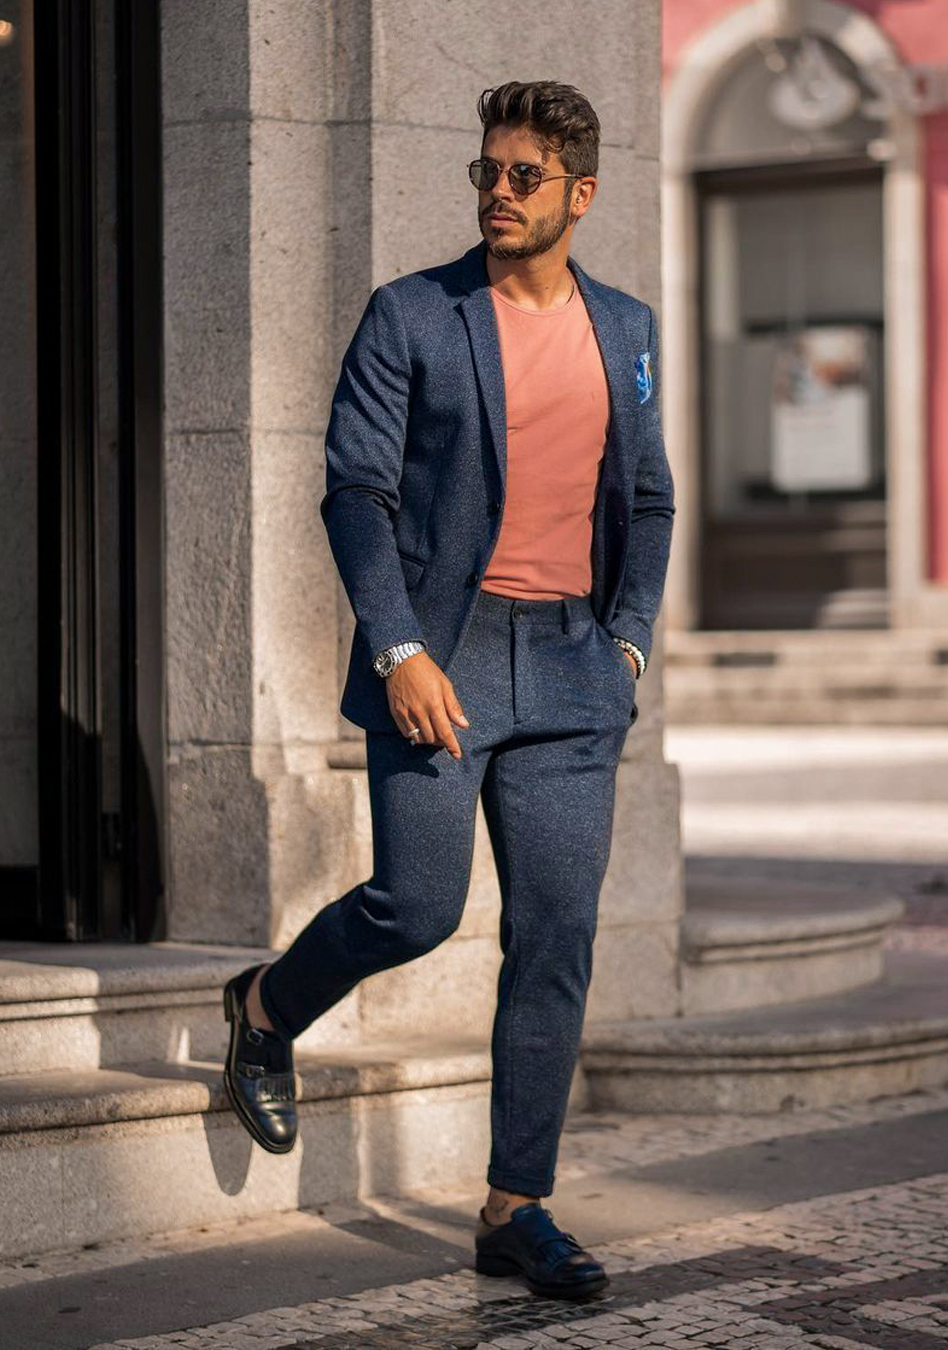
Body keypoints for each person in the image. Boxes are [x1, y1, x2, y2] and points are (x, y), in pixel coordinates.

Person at [223, 78, 674, 1301]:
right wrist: (397, 649)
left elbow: (645, 499)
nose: (496, 193)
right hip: (444, 656)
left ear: (578, 193)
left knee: (555, 938)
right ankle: (266, 1006)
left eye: (522, 177)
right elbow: (352, 492)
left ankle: (513, 1206)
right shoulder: (413, 316)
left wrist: (626, 647)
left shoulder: (624, 330)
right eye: (486, 172)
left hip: (575, 671)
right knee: (417, 906)